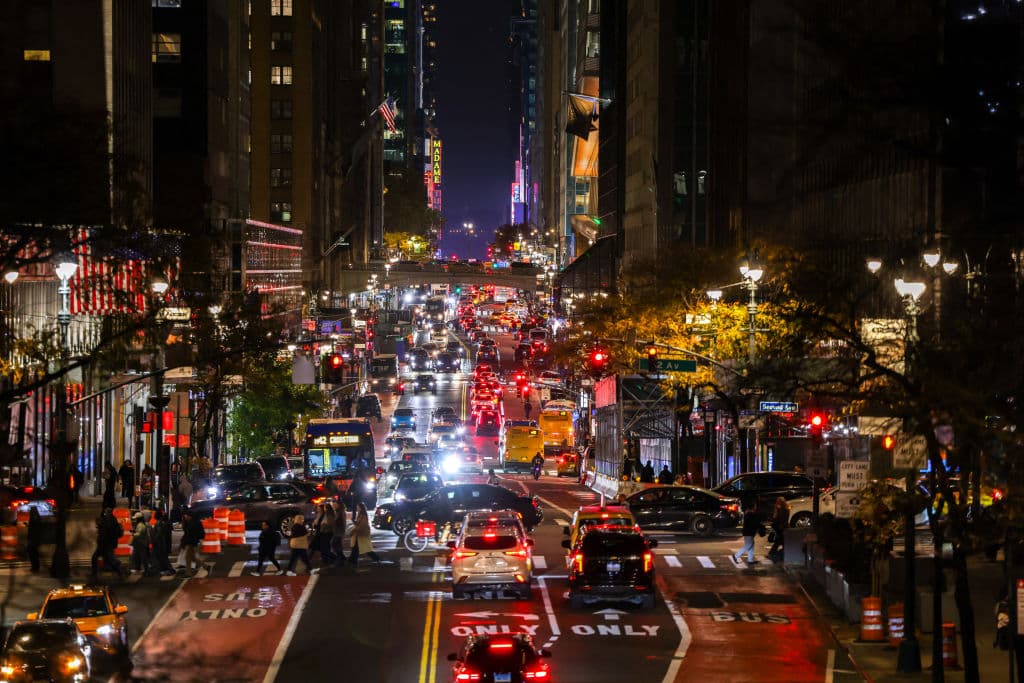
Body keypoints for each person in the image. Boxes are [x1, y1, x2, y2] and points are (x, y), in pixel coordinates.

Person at [90, 508, 124, 580]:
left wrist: (100, 524)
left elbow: (105, 531)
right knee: (109, 559)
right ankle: (119, 572)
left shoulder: (108, 520)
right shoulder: (113, 519)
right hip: (108, 543)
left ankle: (120, 571)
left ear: (107, 512)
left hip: (105, 544)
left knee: (97, 558)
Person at [348, 503, 380, 567]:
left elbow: (362, 525)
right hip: (360, 534)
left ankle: (376, 558)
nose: (357, 508)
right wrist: (354, 521)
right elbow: (359, 524)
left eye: (358, 507)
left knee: (365, 548)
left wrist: (354, 530)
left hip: (362, 534)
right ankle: (352, 560)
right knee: (356, 547)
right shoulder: (360, 515)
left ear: (361, 508)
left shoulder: (363, 515)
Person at [733, 501, 763, 565]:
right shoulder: (751, 514)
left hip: (748, 532)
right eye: (755, 506)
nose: (756, 507)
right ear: (752, 507)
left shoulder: (748, 513)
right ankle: (736, 556)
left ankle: (750, 560)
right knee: (748, 545)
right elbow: (754, 523)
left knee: (751, 545)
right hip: (749, 532)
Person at [149, 509, 175, 576]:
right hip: (161, 543)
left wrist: (154, 540)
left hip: (159, 543)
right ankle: (163, 569)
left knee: (163, 557)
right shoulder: (161, 522)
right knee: (161, 557)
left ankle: (170, 570)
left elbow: (159, 533)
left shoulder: (159, 523)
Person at [179, 509, 204, 575]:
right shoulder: (190, 522)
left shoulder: (193, 523)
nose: (184, 517)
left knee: (188, 558)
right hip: (191, 542)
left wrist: (184, 543)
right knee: (191, 557)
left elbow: (190, 534)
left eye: (185, 515)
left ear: (189, 516)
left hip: (192, 543)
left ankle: (188, 573)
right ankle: (206, 566)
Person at [767, 497, 790, 561]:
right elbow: (785, 519)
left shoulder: (778, 509)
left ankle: (774, 554)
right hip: (784, 527)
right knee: (781, 541)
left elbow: (776, 518)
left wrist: (772, 520)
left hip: (779, 527)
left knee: (780, 541)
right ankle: (775, 553)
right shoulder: (787, 508)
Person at [26, 508, 42, 573]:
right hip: (34, 539)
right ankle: (35, 567)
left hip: (33, 539)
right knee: (33, 553)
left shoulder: (34, 517)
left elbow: (34, 528)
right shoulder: (36, 517)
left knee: (32, 553)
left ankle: (35, 567)